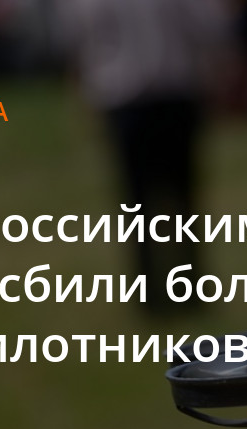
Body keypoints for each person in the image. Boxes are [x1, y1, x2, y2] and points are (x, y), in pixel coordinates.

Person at [60, 0, 231, 313]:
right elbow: (211, 26)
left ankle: (150, 295)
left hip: (123, 100)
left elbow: (77, 37)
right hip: (174, 94)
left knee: (136, 205)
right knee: (182, 202)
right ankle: (188, 287)